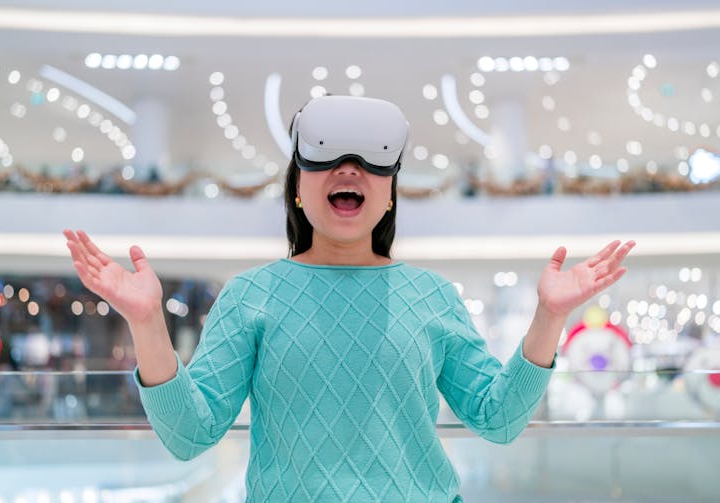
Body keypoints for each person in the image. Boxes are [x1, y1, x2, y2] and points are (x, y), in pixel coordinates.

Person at [64, 95, 635, 502]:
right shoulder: (251, 296)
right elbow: (190, 434)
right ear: (296, 186)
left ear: (389, 195)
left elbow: (499, 418)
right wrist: (146, 322)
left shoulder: (431, 296)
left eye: (370, 164)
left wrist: (551, 315)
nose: (350, 171)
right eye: (330, 159)